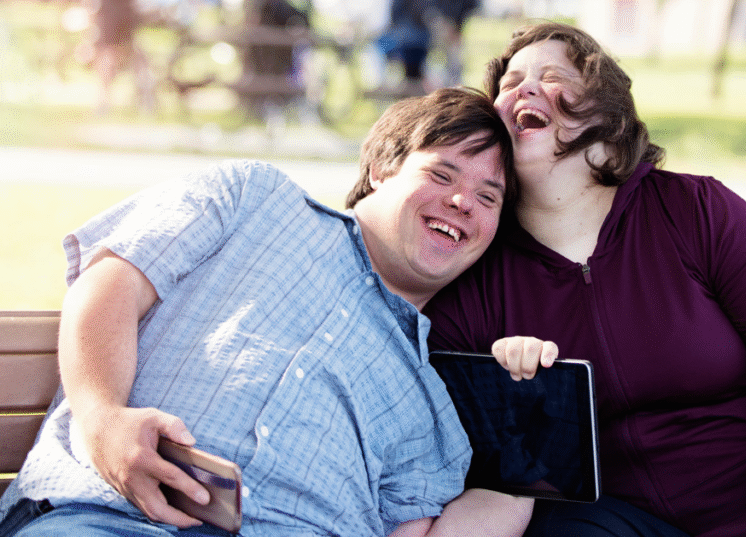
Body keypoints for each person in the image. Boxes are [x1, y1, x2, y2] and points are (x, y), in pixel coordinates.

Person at [423, 22, 746, 537]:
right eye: (510, 82)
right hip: (617, 524)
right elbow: (450, 431)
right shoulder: (480, 277)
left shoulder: (698, 212)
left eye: (552, 77)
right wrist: (507, 395)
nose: (525, 89)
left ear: (609, 119)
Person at [0, 87, 532, 537]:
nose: (463, 201)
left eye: (488, 198)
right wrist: (101, 418)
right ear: (380, 169)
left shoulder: (429, 409)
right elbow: (112, 280)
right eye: (442, 175)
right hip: (112, 516)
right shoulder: (253, 197)